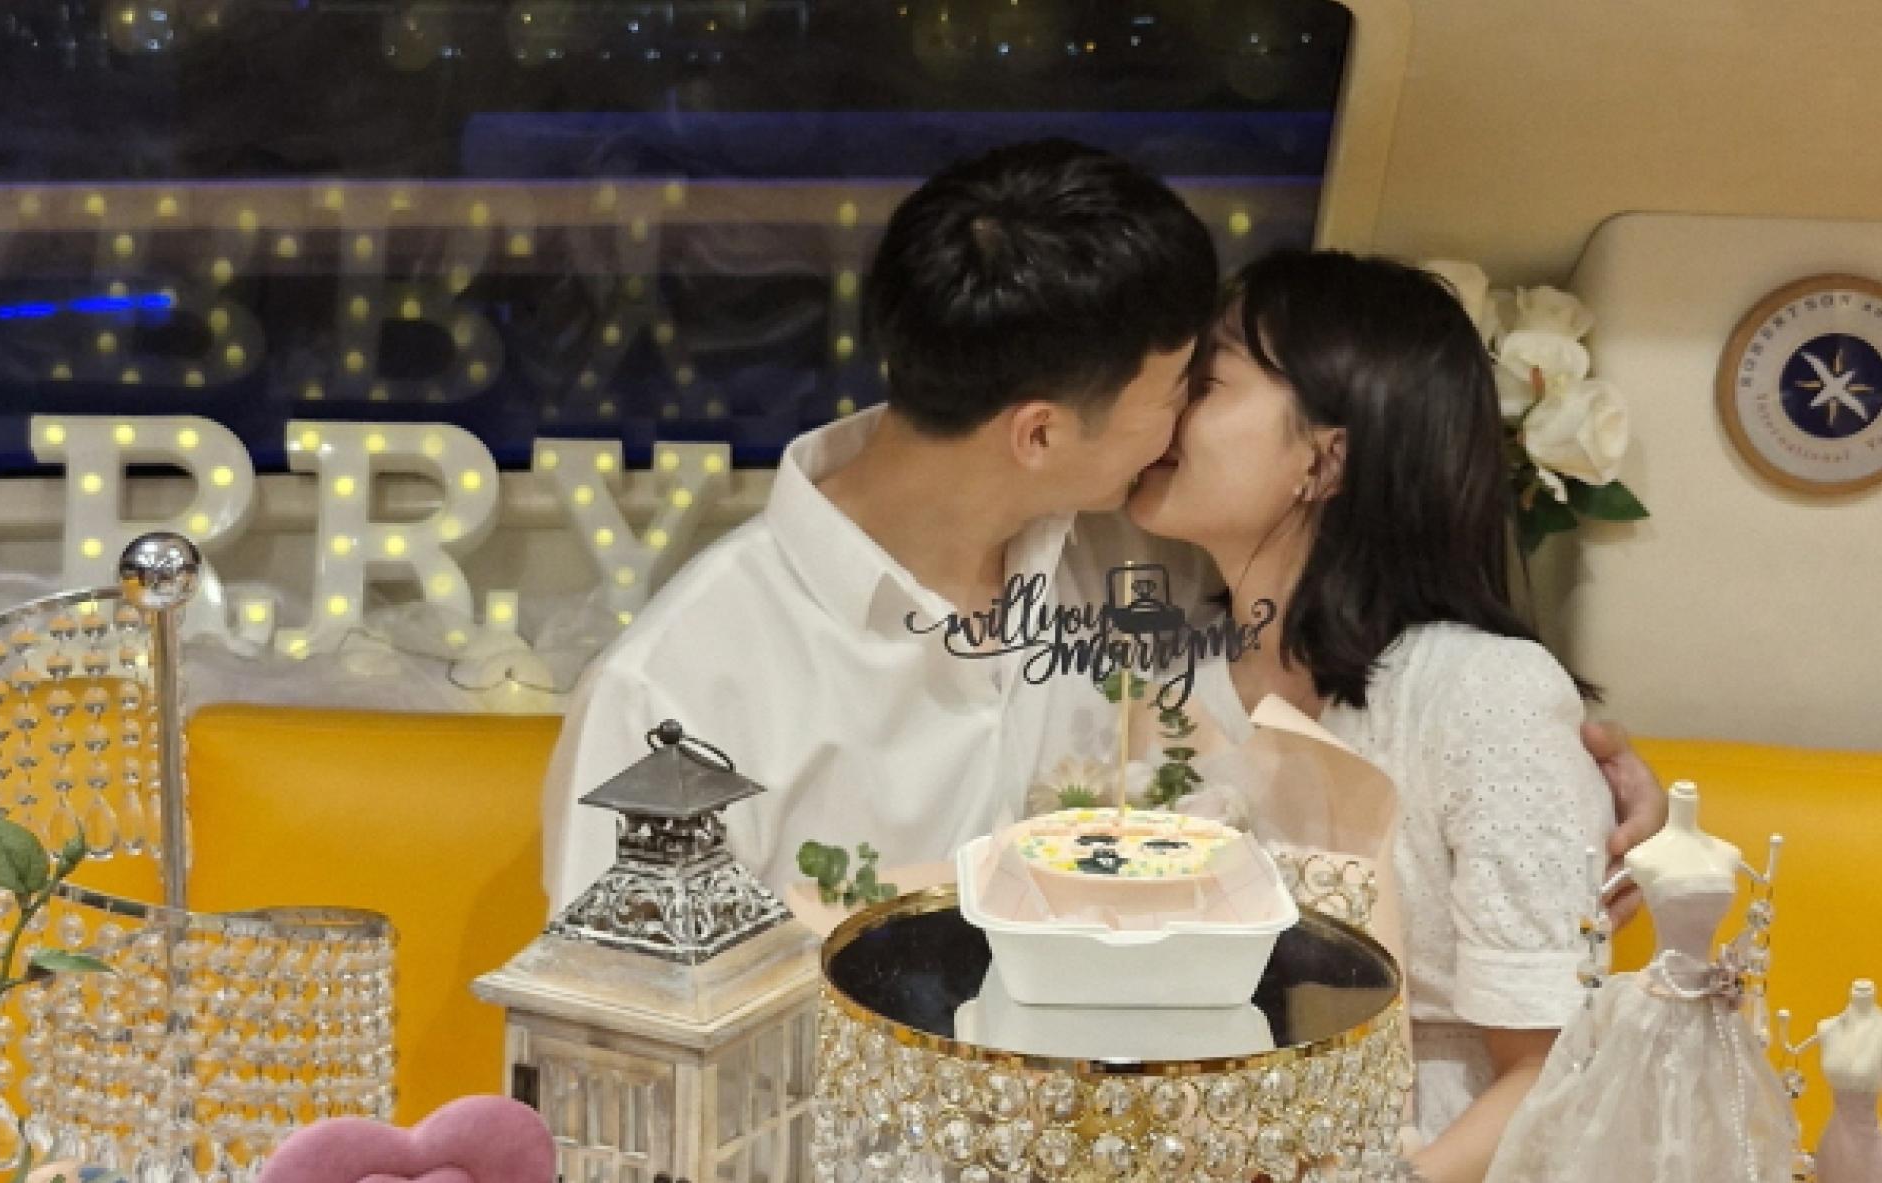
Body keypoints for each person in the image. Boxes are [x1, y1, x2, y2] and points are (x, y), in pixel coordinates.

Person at [539, 141, 1668, 919]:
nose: (1184, 420)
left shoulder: (1145, 555)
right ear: (1038, 433)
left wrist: (1573, 788)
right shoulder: (680, 696)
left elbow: (1373, 682)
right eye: (1181, 382)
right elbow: (623, 1046)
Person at [1126, 247, 1614, 1183]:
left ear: (1325, 458)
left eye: (1208, 382)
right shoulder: (1168, 678)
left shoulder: (1482, 693)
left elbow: (1552, 1070)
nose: (1167, 411)